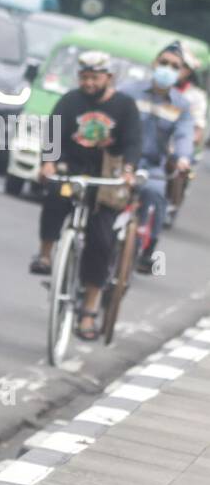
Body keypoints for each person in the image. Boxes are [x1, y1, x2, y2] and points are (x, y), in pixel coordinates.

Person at [28, 51, 140, 340]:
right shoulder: (70, 100)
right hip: (72, 171)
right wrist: (48, 162)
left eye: (94, 77)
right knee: (55, 194)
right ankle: (45, 253)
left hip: (106, 179)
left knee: (101, 241)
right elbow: (53, 134)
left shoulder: (125, 106)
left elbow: (132, 143)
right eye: (84, 77)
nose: (88, 83)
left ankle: (89, 310)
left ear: (109, 78)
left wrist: (128, 170)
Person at [121, 44, 194, 273]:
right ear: (154, 64)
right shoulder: (128, 91)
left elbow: (185, 134)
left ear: (181, 73)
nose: (167, 69)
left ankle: (148, 247)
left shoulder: (181, 105)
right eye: (163, 63)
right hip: (121, 162)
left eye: (174, 66)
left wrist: (183, 158)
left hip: (152, 166)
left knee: (156, 192)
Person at [167, 40, 205, 221]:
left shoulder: (195, 97)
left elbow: (196, 131)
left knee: (178, 169)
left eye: (178, 66)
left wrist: (182, 152)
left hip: (176, 147)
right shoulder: (151, 89)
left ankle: (169, 205)